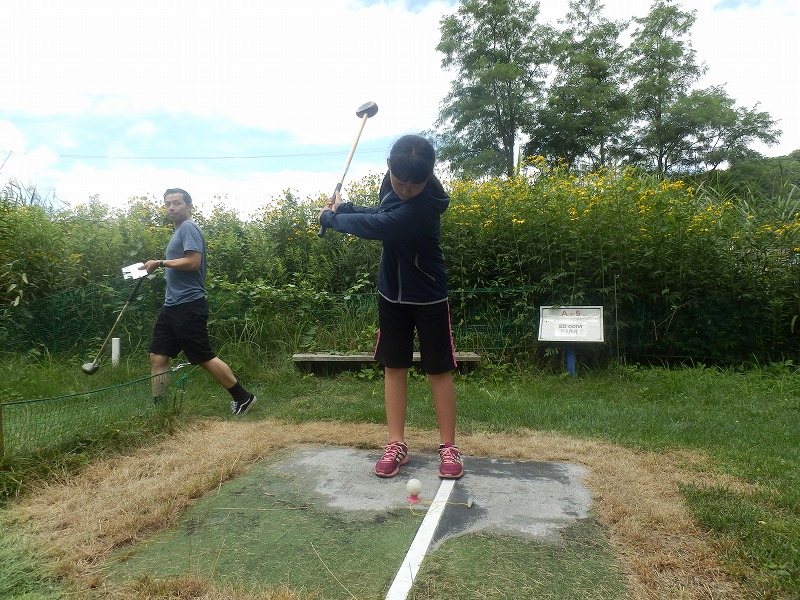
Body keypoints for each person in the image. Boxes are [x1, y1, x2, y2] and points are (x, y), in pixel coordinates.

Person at [318, 134, 463, 479]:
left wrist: (332, 219)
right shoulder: (392, 183)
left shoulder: (423, 207)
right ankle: (396, 444)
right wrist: (345, 208)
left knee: (437, 369)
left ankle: (449, 447)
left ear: (428, 177)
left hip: (428, 296)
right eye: (399, 182)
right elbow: (382, 210)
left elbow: (380, 225)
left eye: (415, 185)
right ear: (389, 169)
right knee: (394, 366)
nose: (406, 190)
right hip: (391, 295)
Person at [141, 188, 256, 415]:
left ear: (189, 206)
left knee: (203, 356)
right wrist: (152, 265)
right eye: (168, 204)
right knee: (158, 355)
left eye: (177, 203)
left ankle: (243, 398)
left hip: (188, 305)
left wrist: (161, 263)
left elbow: (193, 262)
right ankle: (160, 410)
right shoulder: (178, 232)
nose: (172, 207)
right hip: (172, 305)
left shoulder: (189, 228)